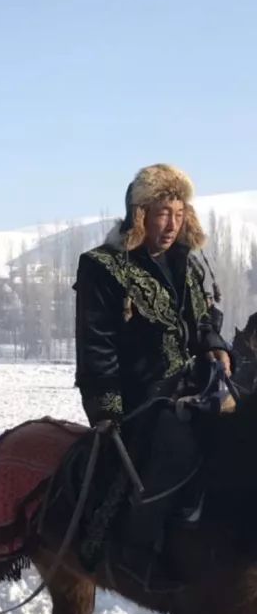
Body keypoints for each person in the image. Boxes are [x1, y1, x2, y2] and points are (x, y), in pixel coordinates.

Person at [74, 164, 230, 425]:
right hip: (140, 407)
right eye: (163, 214)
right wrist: (106, 413)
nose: (172, 225)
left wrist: (214, 345)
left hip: (197, 395)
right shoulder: (103, 266)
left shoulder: (187, 264)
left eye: (179, 215)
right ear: (140, 215)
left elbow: (202, 320)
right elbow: (97, 348)